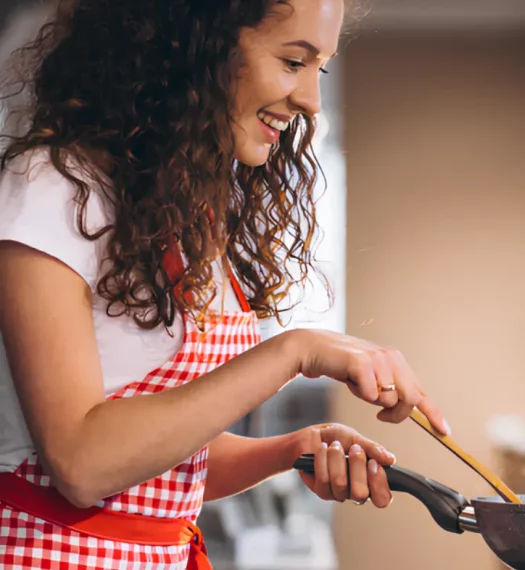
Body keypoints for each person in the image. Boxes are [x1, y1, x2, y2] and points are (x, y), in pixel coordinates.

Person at [0, 0, 450, 568]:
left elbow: (158, 456)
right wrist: (296, 350)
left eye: (321, 69)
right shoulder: (53, 191)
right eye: (293, 61)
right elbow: (83, 463)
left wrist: (292, 450)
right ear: (194, 46)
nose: (310, 100)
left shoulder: (177, 212)